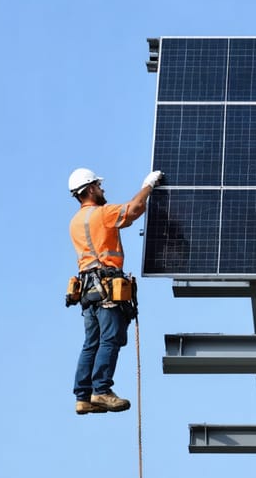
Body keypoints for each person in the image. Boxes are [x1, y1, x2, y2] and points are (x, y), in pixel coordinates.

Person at [68, 168, 163, 414]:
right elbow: (134, 209)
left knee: (91, 343)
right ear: (90, 189)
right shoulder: (102, 214)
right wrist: (148, 186)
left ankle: (83, 397)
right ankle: (101, 390)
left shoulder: (76, 221)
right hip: (106, 290)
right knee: (110, 339)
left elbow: (126, 220)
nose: (102, 189)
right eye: (99, 186)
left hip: (88, 292)